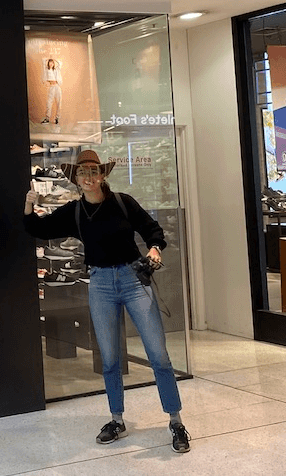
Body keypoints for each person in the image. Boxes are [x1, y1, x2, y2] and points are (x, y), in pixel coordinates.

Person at [23, 150, 190, 453]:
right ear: (76, 179)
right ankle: (117, 419)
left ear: (102, 175)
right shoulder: (75, 212)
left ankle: (176, 421)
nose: (87, 177)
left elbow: (153, 229)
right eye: (82, 173)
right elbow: (37, 229)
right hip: (99, 283)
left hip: (132, 279)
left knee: (158, 355)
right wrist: (28, 203)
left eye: (92, 171)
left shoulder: (123, 203)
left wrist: (154, 249)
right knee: (110, 358)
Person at [41, 58, 62, 125]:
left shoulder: (56, 70)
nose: (51, 64)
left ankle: (57, 118)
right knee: (49, 103)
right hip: (51, 87)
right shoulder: (46, 70)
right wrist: (48, 59)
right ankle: (47, 118)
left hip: (57, 87)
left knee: (59, 102)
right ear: (48, 63)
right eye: (50, 62)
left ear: (53, 63)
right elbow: (43, 61)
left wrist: (54, 59)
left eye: (52, 63)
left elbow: (60, 63)